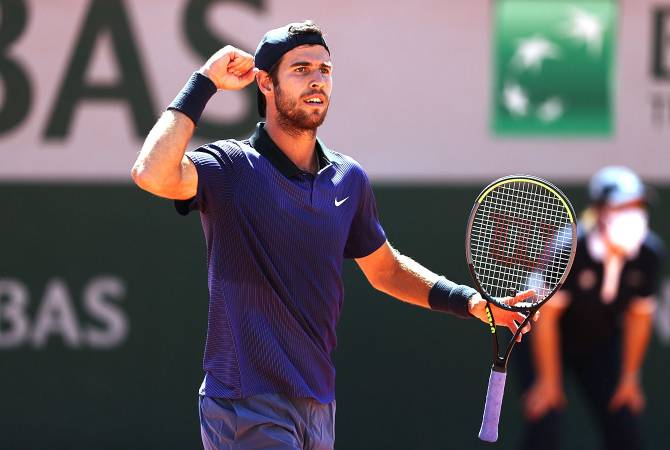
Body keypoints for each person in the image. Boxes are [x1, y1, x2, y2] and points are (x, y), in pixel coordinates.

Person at [131, 21, 534, 450]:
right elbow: (151, 173)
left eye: (324, 69)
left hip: (318, 407)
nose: (317, 80)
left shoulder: (348, 178)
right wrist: (204, 82)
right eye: (301, 68)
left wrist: (469, 301)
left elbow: (386, 270)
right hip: (245, 402)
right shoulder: (230, 167)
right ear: (265, 83)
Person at [518, 166, 665, 450]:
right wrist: (549, 381)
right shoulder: (568, 249)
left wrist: (630, 376)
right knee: (545, 423)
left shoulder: (649, 254)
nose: (632, 215)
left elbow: (639, 317)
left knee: (625, 422)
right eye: (622, 206)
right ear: (599, 211)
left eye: (638, 206)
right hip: (545, 340)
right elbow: (546, 319)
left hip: (600, 341)